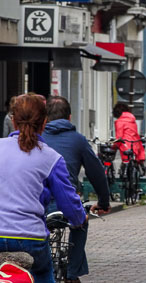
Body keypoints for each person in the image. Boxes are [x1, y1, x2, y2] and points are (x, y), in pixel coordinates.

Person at [0, 94, 86, 282]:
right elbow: (68, 202)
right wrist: (79, 218)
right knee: (43, 275)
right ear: (44, 123)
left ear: (13, 121)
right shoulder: (51, 157)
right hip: (30, 239)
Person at [42, 96, 111, 283]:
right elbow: (96, 173)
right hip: (66, 203)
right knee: (80, 222)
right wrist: (104, 202)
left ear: (45, 118)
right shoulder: (78, 140)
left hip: (40, 204)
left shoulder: (37, 138)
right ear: (70, 117)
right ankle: (73, 273)